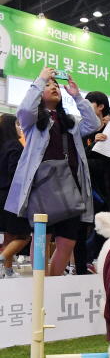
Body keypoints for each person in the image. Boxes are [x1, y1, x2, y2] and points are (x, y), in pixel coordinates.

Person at [6, 66, 99, 276]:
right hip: (43, 187)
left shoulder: (70, 122)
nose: (53, 87)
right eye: (48, 85)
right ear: (40, 93)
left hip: (71, 185)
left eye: (55, 84)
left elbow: (93, 124)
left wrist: (77, 96)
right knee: (41, 240)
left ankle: (52, 286)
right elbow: (24, 110)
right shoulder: (33, 121)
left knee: (67, 242)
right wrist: (40, 79)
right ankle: (40, 288)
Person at [74, 91, 110, 274]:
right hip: (81, 190)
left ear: (100, 106)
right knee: (80, 231)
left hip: (102, 191)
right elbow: (76, 157)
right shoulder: (81, 129)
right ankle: (80, 267)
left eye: (90, 104)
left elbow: (106, 164)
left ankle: (94, 262)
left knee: (103, 230)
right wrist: (89, 148)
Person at [0, 114, 31, 278]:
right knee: (25, 235)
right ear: (11, 127)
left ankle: (7, 271)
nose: (20, 128)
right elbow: (15, 174)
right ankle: (2, 260)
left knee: (8, 237)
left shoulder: (2, 146)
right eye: (18, 125)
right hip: (12, 196)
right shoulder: (15, 146)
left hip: (1, 197)